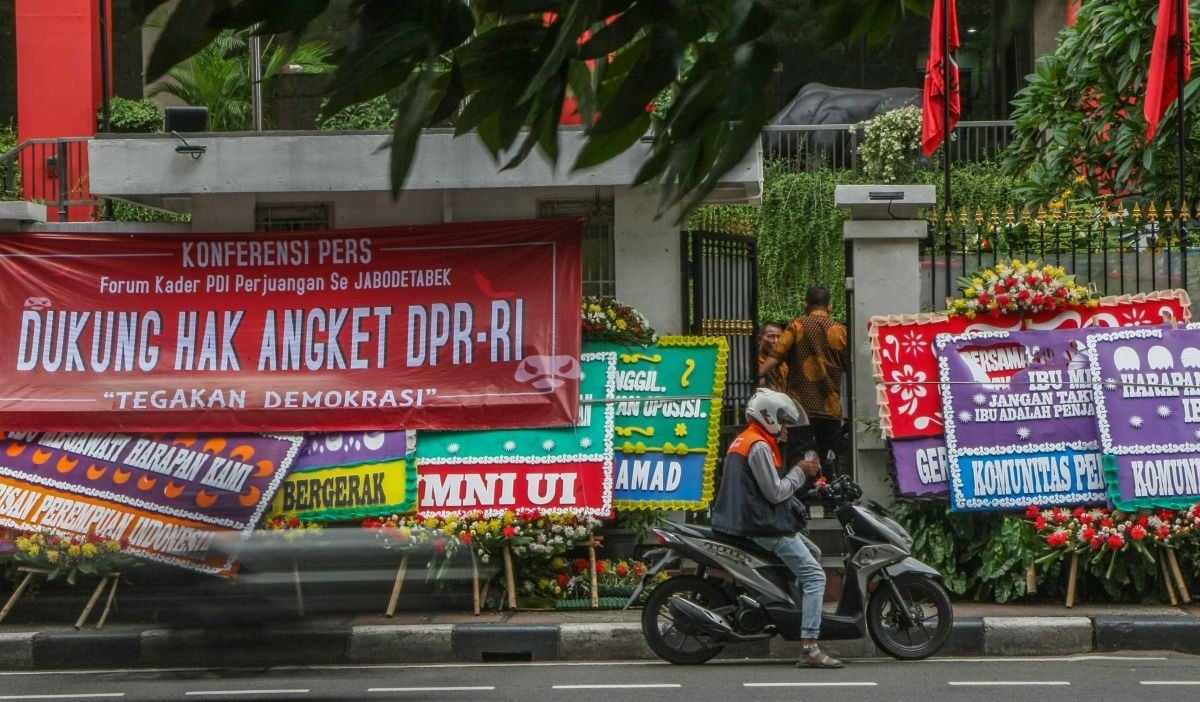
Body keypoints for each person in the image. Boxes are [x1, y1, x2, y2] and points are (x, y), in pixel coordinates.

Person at [710, 388, 844, 669]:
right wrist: (801, 471)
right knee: (816, 577)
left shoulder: (746, 440)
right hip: (763, 527)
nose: (785, 428)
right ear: (768, 416)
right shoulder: (757, 445)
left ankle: (791, 614)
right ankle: (809, 647)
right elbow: (774, 492)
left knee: (813, 552)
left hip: (751, 520)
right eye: (782, 422)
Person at [758, 285, 849, 481]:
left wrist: (756, 375)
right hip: (830, 407)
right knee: (830, 458)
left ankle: (800, 501)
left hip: (800, 410)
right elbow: (851, 365)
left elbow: (776, 354)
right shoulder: (839, 331)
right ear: (829, 307)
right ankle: (834, 499)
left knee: (797, 457)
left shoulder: (797, 326)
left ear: (805, 305)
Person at [757, 321, 788, 392]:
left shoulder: (784, 364)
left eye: (779, 337)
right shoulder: (754, 363)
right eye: (771, 336)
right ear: (759, 339)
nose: (776, 341)